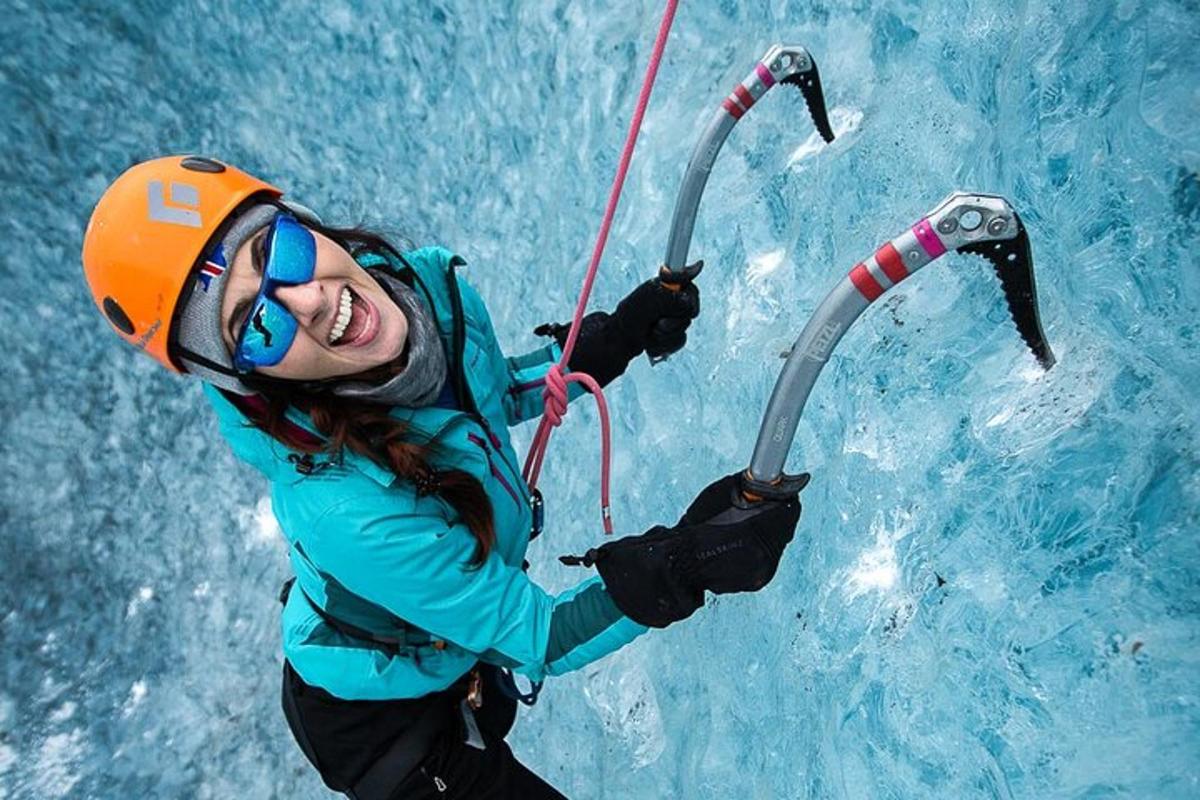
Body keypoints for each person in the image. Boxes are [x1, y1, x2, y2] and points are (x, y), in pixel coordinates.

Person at [81, 156, 807, 799]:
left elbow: (484, 396)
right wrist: (684, 563)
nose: (310, 304)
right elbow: (541, 634)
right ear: (245, 380)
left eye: (282, 250)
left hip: (439, 651)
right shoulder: (346, 510)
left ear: (309, 223)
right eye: (254, 326)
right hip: (381, 732)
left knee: (485, 707)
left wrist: (608, 343)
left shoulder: (429, 291)